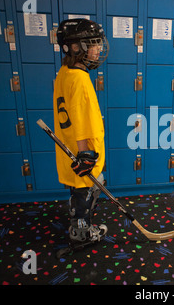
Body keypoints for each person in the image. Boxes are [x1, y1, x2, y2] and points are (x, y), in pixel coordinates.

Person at [53, 18, 109, 243]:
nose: (98, 49)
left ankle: (77, 210)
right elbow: (82, 120)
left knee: (88, 188)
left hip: (69, 149)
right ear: (76, 47)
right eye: (94, 44)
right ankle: (81, 232)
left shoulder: (65, 73)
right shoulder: (80, 80)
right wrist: (85, 155)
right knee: (87, 190)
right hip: (82, 152)